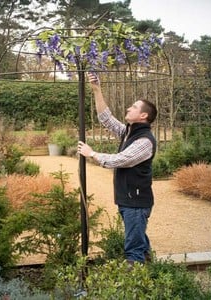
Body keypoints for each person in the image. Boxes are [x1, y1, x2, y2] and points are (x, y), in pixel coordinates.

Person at [77, 72, 157, 265]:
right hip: (128, 200)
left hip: (136, 202)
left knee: (133, 248)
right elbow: (106, 118)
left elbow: (121, 160)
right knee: (138, 240)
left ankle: (135, 283)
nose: (129, 108)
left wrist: (92, 154)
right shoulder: (128, 132)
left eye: (134, 107)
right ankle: (152, 274)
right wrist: (96, 88)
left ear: (143, 115)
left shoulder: (145, 141)